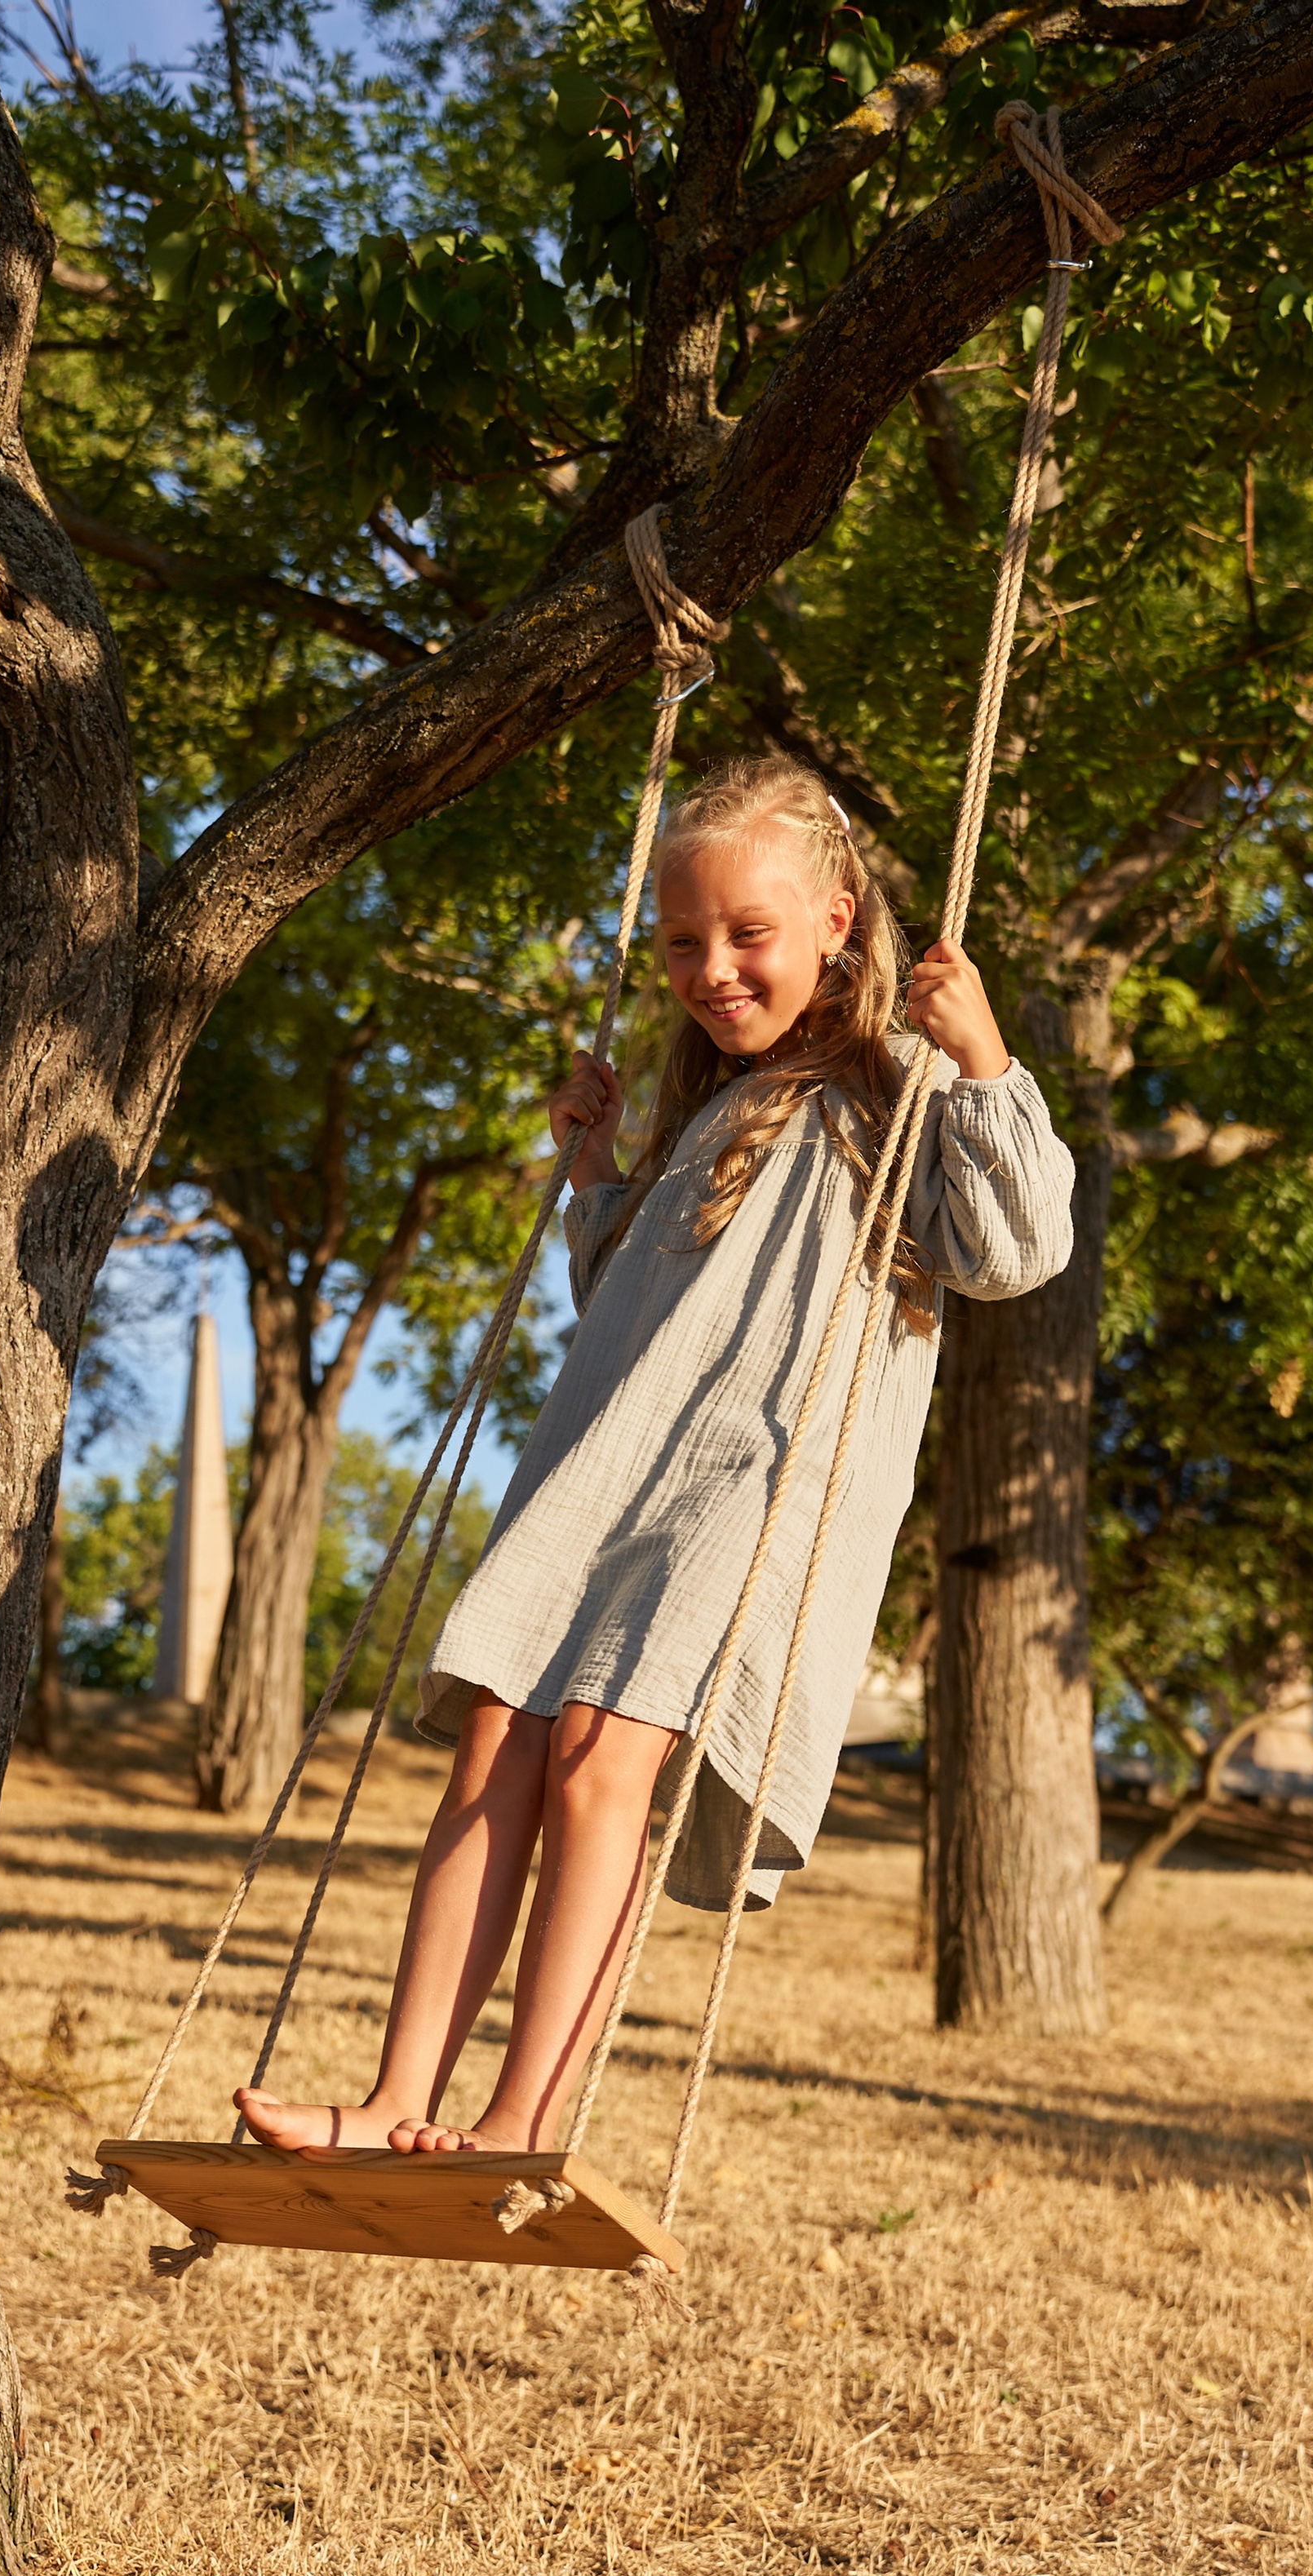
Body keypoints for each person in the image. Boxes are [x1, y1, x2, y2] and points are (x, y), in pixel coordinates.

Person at [237, 754, 1076, 2158]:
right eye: (684, 941)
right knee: (495, 1744)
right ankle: (393, 2102)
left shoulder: (901, 1087)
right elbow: (632, 1308)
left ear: (836, 919)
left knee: (599, 1759)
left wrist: (984, 1057)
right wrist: (596, 1175)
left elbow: (1018, 1247)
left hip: (748, 1484)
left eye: (748, 932)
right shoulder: (705, 1109)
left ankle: (520, 2118)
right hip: (612, 1463)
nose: (713, 969)